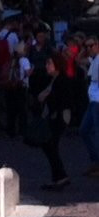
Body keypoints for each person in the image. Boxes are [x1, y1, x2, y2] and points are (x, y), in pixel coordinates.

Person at [37, 52, 72, 190]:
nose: (47, 66)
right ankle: (58, 177)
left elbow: (61, 100)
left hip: (59, 117)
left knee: (50, 145)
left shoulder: (62, 80)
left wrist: (47, 97)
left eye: (49, 63)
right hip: (54, 116)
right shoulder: (53, 79)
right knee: (50, 146)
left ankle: (60, 177)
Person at [78, 36, 99, 177]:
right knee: (84, 130)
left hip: (98, 101)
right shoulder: (94, 59)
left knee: (96, 133)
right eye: (87, 46)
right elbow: (79, 60)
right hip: (92, 101)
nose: (89, 49)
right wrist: (82, 50)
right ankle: (96, 161)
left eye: (91, 46)